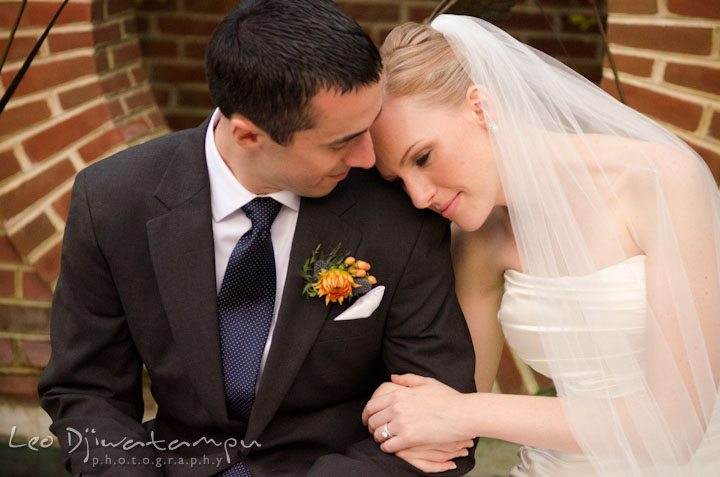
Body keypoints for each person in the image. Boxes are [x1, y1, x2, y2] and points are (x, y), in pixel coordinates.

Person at [37, 2, 477, 476]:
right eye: (339, 141)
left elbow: (442, 412)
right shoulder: (111, 201)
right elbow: (88, 392)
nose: (371, 157)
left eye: (367, 127)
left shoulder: (398, 213)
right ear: (248, 135)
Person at [363, 14, 720, 476]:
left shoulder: (662, 181)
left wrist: (462, 412)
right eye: (399, 179)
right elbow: (452, 396)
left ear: (481, 108)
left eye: (424, 158)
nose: (418, 195)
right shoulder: (479, 241)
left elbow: (674, 426)